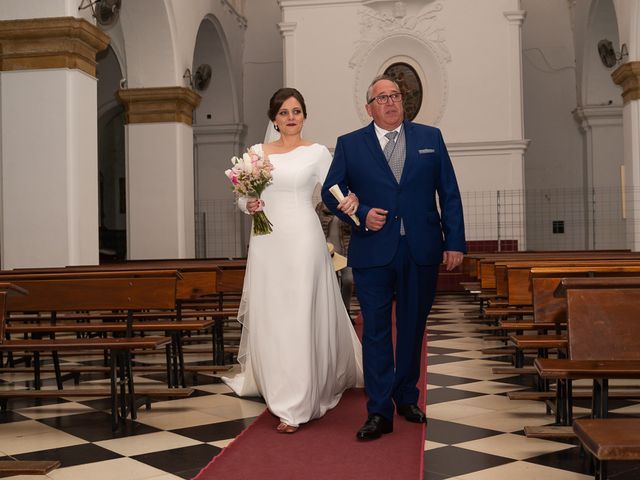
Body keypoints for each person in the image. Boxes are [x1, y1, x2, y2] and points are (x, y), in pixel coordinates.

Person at [321, 75, 466, 441]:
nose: (390, 102)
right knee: (376, 332)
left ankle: (406, 396)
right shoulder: (350, 145)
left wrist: (456, 242)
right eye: (381, 97)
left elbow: (448, 192)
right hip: (374, 251)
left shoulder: (430, 139)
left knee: (414, 326)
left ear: (403, 102)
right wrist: (360, 213)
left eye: (395, 96)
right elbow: (330, 190)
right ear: (369, 107)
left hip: (422, 249)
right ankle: (379, 409)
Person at [222, 87, 364, 434]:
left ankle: (296, 404)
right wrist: (248, 205)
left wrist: (352, 200)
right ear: (274, 118)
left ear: (304, 115)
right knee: (273, 314)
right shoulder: (256, 153)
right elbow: (243, 197)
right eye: (284, 112)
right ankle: (279, 386)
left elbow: (336, 189)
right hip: (267, 241)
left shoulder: (317, 153)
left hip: (303, 238)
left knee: (300, 314)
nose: (290, 117)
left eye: (296, 111)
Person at [315, 201, 354, 319]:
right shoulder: (321, 207)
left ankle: (345, 310)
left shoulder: (348, 205)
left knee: (348, 280)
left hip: (346, 250)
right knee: (332, 285)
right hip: (327, 253)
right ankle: (335, 314)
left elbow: (354, 227)